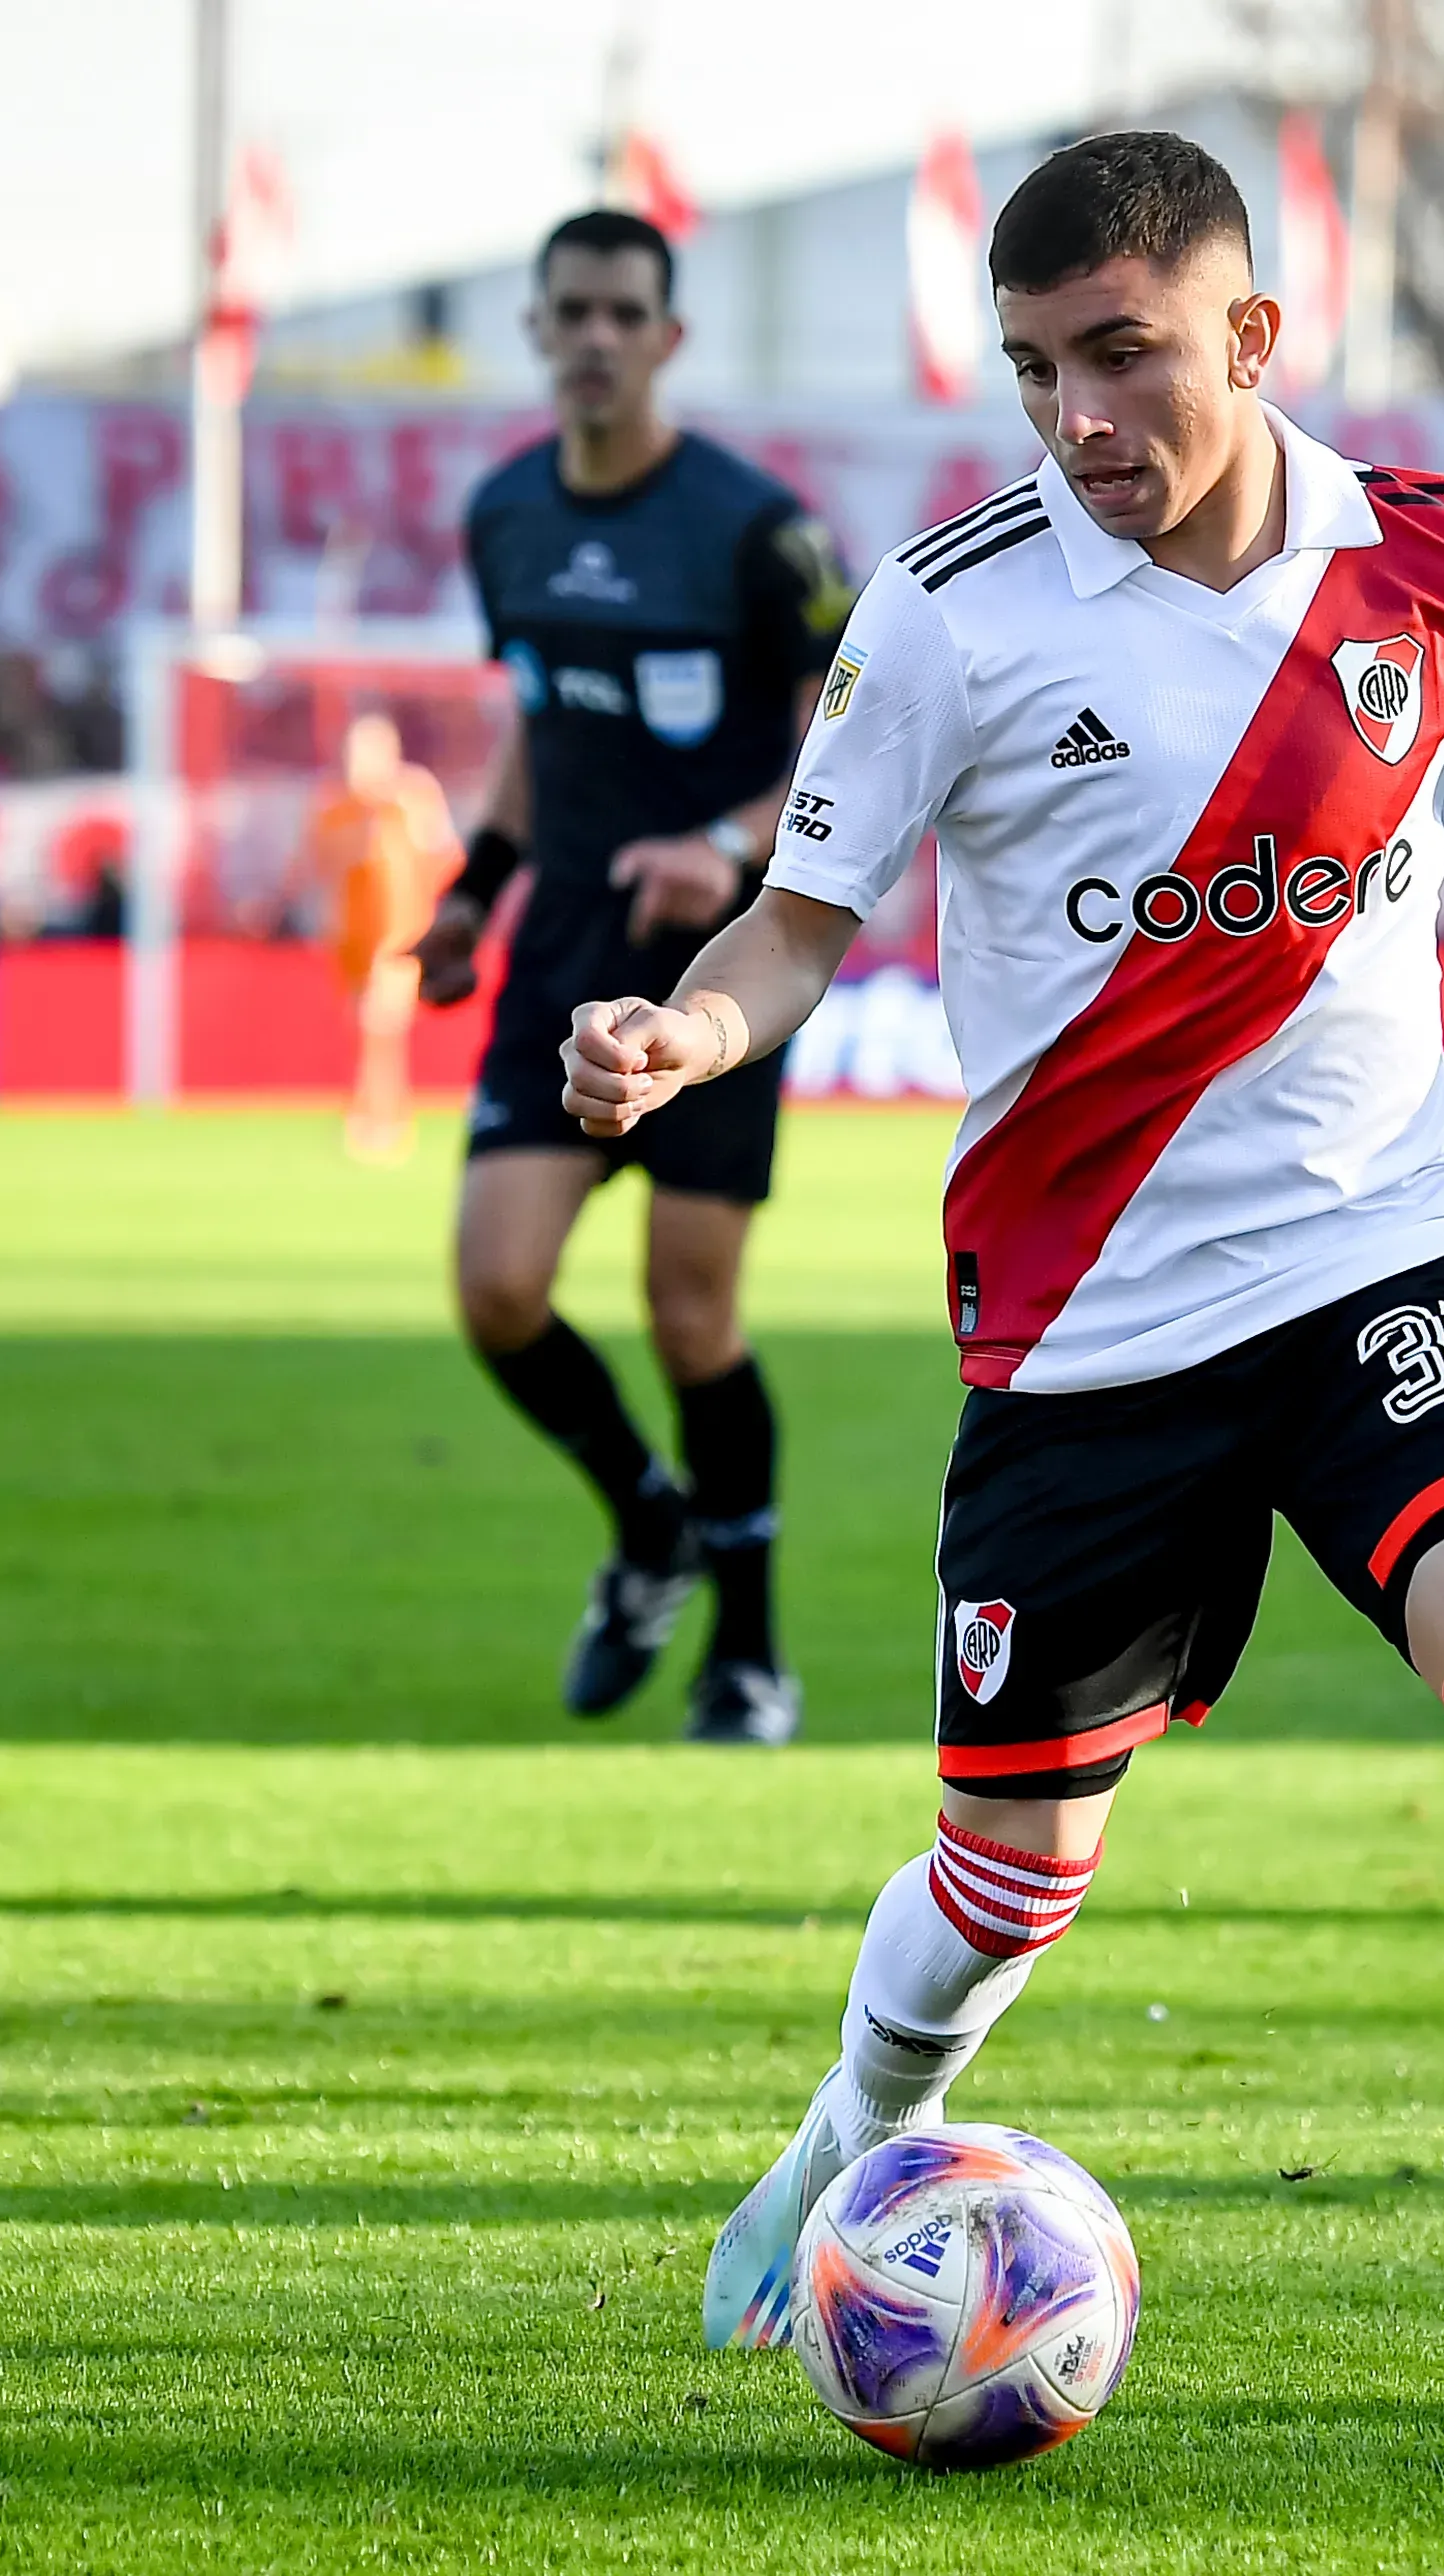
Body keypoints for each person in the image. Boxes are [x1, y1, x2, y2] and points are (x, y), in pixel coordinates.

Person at [554, 134, 1444, 2432]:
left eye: (1127, 357)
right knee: (1005, 1874)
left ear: (1251, 340)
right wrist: (690, 1023)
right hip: (1083, 1336)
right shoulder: (949, 610)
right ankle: (846, 2135)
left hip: (1383, 1268)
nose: (1079, 418)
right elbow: (796, 917)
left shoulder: (1441, 569)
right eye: (1039, 369)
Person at [411, 208, 855, 1745]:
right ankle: (648, 1525)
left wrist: (728, 843)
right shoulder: (505, 518)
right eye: (571, 312)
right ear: (536, 331)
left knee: (688, 1317)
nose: (595, 337)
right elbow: (542, 719)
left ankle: (748, 1655)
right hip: (560, 959)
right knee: (496, 1287)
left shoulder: (759, 532)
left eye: (624, 313)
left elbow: (845, 742)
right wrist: (475, 889)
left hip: (723, 968)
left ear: (667, 339)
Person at [302, 711, 457, 1164]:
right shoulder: (333, 804)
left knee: (380, 1026)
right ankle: (378, 1112)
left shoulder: (413, 799)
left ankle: (379, 1120)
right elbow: (318, 866)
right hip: (351, 937)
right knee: (367, 1028)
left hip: (399, 937)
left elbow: (445, 858)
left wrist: (436, 919)